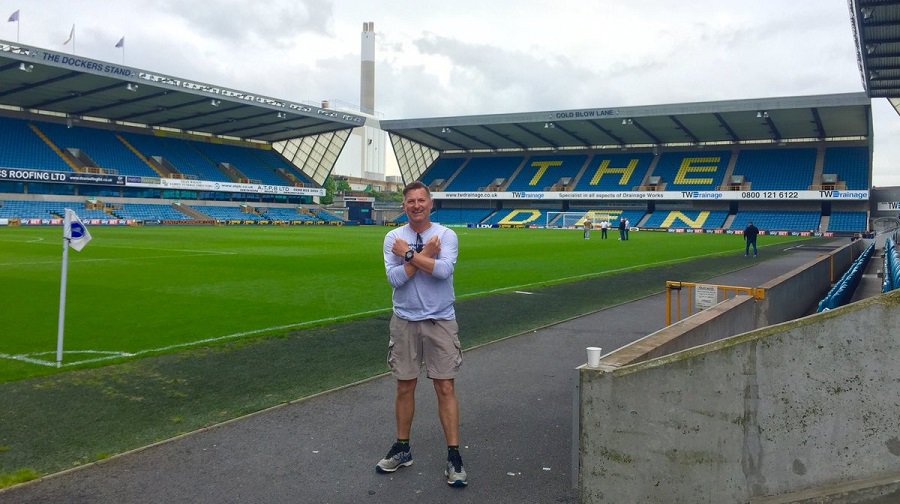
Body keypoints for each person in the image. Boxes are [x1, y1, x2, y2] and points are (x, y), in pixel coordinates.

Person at [377, 181, 467, 488]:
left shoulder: (445, 235)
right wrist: (423, 256)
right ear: (404, 206)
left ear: (430, 204)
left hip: (439, 319)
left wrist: (411, 256)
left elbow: (443, 272)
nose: (416, 205)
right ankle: (403, 447)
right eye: (410, 201)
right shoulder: (393, 237)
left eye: (421, 200)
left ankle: (454, 456)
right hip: (404, 319)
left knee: (444, 386)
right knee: (404, 385)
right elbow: (395, 279)